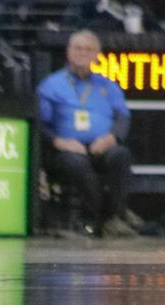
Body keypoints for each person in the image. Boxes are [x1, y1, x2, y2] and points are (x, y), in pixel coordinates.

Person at [38, 30, 137, 238]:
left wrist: (112, 137)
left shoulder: (108, 86)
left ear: (97, 55)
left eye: (88, 49)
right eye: (77, 48)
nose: (82, 53)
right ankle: (103, 219)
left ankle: (114, 217)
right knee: (77, 163)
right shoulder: (51, 85)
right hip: (65, 149)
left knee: (121, 155)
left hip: (100, 147)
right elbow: (40, 124)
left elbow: (123, 117)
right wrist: (59, 142)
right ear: (68, 52)